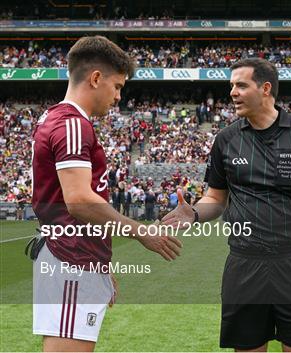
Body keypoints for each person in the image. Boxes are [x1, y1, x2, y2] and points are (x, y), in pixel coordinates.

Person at [162, 58, 291, 352]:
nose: (232, 92)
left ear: (265, 88)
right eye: (231, 86)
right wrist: (195, 212)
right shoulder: (226, 139)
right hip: (245, 262)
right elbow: (216, 198)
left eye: (241, 85)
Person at [31, 35, 182, 352]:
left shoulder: (61, 119)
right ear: (96, 78)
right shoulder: (72, 124)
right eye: (117, 87)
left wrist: (98, 261)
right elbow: (79, 201)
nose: (118, 97)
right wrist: (143, 233)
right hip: (68, 259)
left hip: (75, 257)